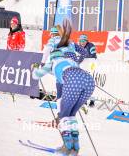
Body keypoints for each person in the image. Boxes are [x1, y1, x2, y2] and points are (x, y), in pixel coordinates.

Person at [32, 21, 95, 155]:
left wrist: (37, 67)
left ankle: (67, 147)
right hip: (88, 80)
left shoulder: (53, 58)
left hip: (71, 80)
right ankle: (75, 148)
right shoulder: (70, 53)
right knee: (71, 115)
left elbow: (37, 75)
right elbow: (82, 52)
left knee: (66, 115)